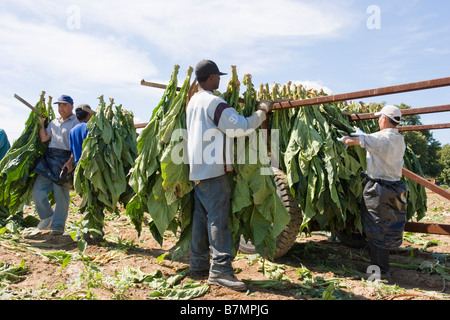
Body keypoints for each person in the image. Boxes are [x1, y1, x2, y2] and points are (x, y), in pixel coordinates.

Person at [185, 59, 273, 291]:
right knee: (218, 220)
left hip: (197, 170)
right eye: (218, 76)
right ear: (212, 77)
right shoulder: (214, 102)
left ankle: (198, 264)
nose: (220, 80)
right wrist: (262, 112)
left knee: (201, 218)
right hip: (214, 170)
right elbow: (239, 127)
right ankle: (221, 271)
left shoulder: (193, 101)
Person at [340, 105, 408, 281]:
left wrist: (343, 138)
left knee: (375, 229)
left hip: (379, 189)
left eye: (379, 118)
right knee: (389, 226)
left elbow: (351, 142)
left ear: (384, 119)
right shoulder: (399, 139)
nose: (378, 120)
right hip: (397, 187)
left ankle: (379, 273)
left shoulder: (379, 138)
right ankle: (384, 266)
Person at [32, 95, 79, 235]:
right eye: (59, 106)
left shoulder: (76, 122)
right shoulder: (54, 122)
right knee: (37, 191)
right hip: (50, 159)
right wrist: (42, 123)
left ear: (71, 106)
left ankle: (58, 227)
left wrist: (70, 162)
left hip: (65, 159)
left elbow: (76, 145)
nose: (61, 108)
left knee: (61, 195)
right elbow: (45, 138)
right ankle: (47, 217)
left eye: (64, 105)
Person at [69, 104, 101, 242]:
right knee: (94, 200)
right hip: (91, 167)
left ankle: (93, 231)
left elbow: (71, 150)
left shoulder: (73, 130)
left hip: (79, 168)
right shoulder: (91, 127)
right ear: (89, 115)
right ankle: (87, 232)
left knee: (87, 198)